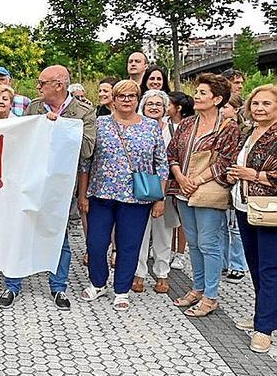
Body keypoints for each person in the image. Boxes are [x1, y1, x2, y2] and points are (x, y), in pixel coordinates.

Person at [0, 65, 96, 310]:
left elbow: (87, 149)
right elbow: (19, 139)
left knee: (58, 236)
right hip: (30, 181)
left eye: (42, 83)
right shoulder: (34, 107)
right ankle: (12, 285)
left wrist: (59, 126)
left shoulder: (84, 111)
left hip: (60, 187)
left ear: (59, 84)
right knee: (21, 231)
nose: (37, 87)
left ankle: (58, 287)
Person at [77, 80, 168, 311]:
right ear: (113, 100)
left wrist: (160, 198)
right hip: (101, 195)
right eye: (121, 96)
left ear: (138, 99)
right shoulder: (100, 124)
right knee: (96, 243)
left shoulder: (151, 126)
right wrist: (83, 195)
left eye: (131, 96)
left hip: (137, 198)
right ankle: (98, 283)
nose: (126, 100)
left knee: (129, 245)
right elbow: (85, 162)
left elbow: (162, 164)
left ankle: (121, 289)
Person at [167, 73, 241, 317]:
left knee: (209, 244)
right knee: (195, 244)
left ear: (217, 99)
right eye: (196, 92)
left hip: (208, 193)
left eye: (202, 93)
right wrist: (180, 177)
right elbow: (172, 153)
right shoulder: (187, 124)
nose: (196, 97)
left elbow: (225, 162)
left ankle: (211, 296)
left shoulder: (228, 127)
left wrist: (196, 180)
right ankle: (197, 289)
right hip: (183, 191)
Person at [227, 84, 277, 353]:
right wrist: (233, 174)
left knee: (270, 268)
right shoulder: (248, 132)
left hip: (269, 209)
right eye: (256, 104)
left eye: (266, 104)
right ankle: (265, 314)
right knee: (256, 266)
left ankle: (264, 329)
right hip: (244, 206)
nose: (259, 108)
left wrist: (253, 175)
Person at [132, 89, 177, 295]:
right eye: (150, 103)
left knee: (163, 232)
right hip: (140, 187)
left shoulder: (174, 129)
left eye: (158, 104)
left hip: (165, 188)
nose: (154, 107)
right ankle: (139, 273)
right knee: (139, 232)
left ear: (166, 107)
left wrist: (163, 194)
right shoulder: (136, 126)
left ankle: (162, 273)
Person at [220, 93, 248, 283]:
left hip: (240, 182)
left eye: (227, 107)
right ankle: (222, 262)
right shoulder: (218, 126)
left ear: (236, 109)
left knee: (235, 227)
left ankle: (238, 265)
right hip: (223, 181)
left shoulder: (244, 130)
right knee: (221, 226)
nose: (222, 110)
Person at [167, 90, 194, 270]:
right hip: (167, 176)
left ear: (178, 108)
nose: (164, 107)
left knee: (183, 218)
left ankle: (180, 253)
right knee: (169, 218)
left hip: (183, 176)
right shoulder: (163, 124)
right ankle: (168, 249)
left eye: (168, 104)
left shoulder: (188, 127)